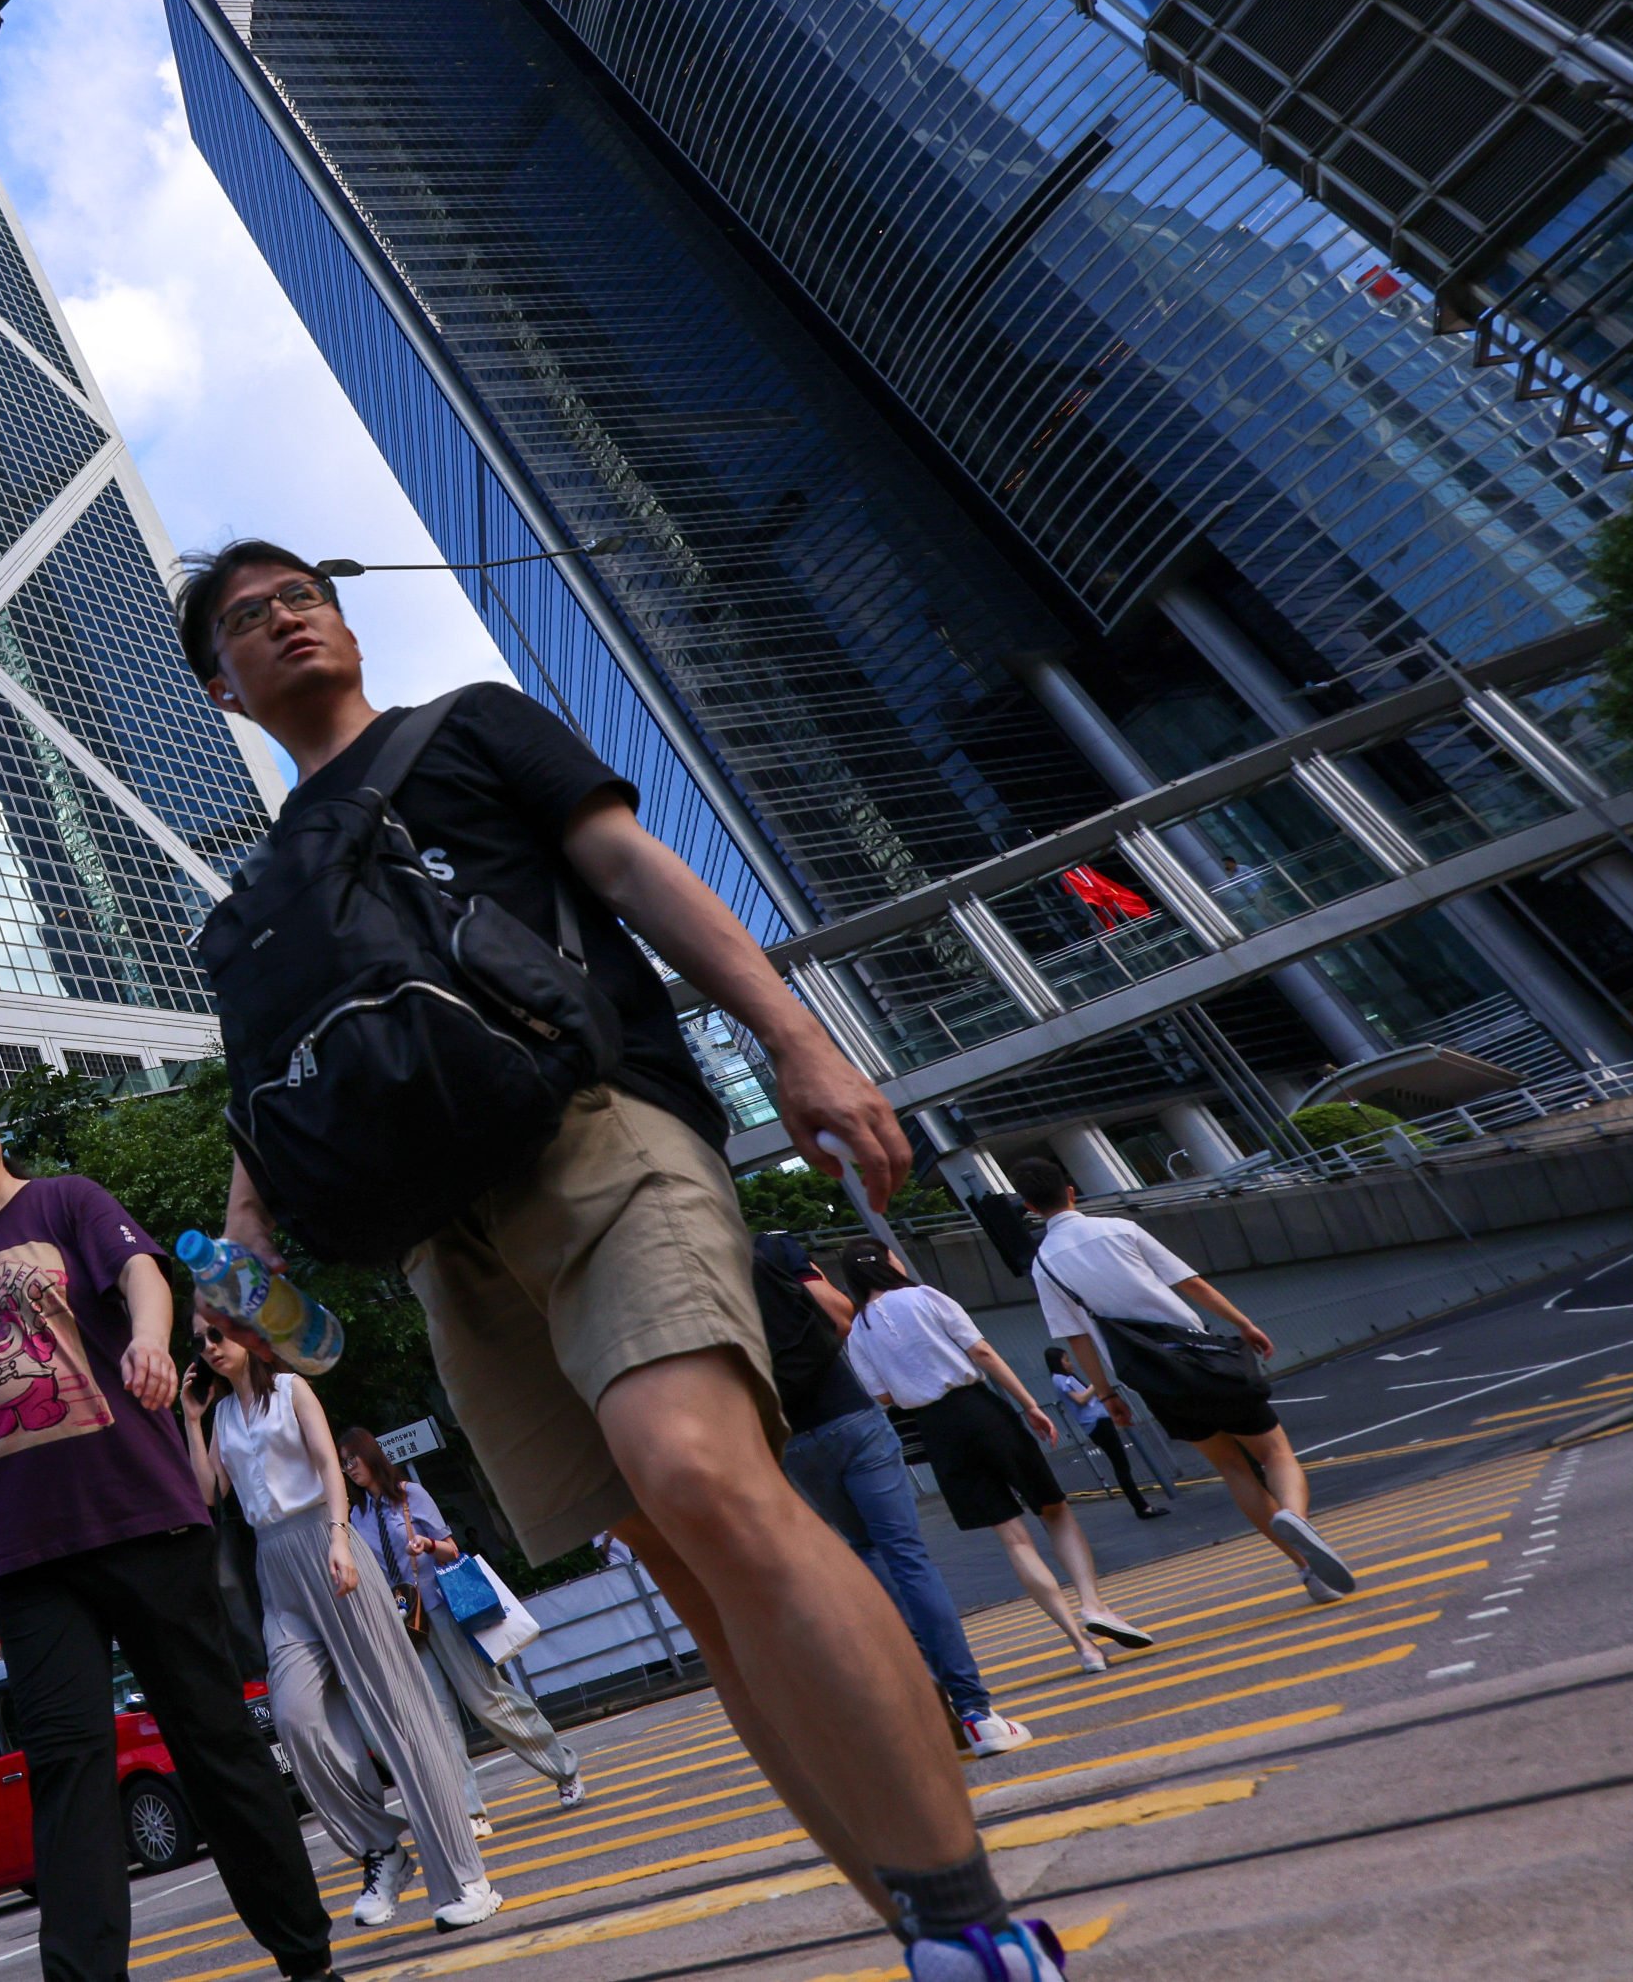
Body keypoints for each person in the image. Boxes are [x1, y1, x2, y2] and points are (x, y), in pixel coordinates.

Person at [185, 541, 1068, 1982]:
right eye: (246, 617)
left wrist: (795, 1037)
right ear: (220, 684)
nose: (286, 618)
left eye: (303, 596)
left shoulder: (470, 726)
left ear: (341, 623)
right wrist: (244, 1246)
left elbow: (629, 869)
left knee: (702, 1475)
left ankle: (974, 1922)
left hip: (598, 1133)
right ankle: (923, 1936)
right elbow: (267, 1087)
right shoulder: (258, 891)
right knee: (692, 1579)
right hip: (443, 1246)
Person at [0, 1081, 338, 1982]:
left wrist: (147, 1338)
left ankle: (306, 1959)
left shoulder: (66, 1200)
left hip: (138, 1513)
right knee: (67, 1773)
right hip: (24, 1557)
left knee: (213, 1741)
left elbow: (142, 1273)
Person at [190, 1314, 499, 1934]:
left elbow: (332, 1468)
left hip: (328, 1546)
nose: (208, 1349)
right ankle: (382, 1848)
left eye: (215, 1335)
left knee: (398, 1713)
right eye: (197, 1342)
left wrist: (338, 1535)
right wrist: (190, 1419)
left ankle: (467, 1878)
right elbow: (204, 1493)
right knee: (296, 1720)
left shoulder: (292, 1390)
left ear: (244, 1333)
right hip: (275, 1567)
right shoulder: (221, 1417)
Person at [1015, 1158, 1354, 1598]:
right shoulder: (1119, 1229)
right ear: (1071, 1191)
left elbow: (1078, 1339)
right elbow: (1191, 1283)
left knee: (1232, 1467)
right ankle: (1294, 1514)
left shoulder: (1044, 1266)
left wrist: (1108, 1394)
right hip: (1202, 1357)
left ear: (1030, 1207)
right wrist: (1244, 1324)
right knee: (1273, 1453)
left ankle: (1309, 1570)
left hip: (1154, 1379)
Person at [750, 1233, 1024, 1760]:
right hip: (849, 1416)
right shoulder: (770, 1248)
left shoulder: (685, 1281)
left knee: (866, 1554)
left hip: (791, 1438)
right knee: (906, 1554)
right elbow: (840, 1314)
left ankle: (921, 1688)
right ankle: (975, 1711)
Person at [832, 1248, 1155, 1679]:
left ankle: (1083, 1648)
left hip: (937, 1432)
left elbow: (885, 1396)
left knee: (1013, 1538)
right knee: (1053, 1509)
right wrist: (1029, 1404)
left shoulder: (858, 1332)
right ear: (886, 1263)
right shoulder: (926, 1296)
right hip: (979, 1409)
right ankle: (1093, 1605)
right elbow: (981, 1352)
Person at [336, 1423, 583, 1809]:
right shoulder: (358, 1515)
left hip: (441, 1609)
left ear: (370, 1455)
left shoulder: (410, 1494)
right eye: (343, 1463)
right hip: (407, 1623)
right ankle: (468, 1810)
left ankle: (563, 1769)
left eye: (354, 1458)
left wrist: (427, 1544)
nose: (350, 1468)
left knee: (486, 1699)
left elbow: (451, 1549)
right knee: (438, 1717)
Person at [1043, 1346, 1167, 1519]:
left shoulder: (1064, 1378)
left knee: (1121, 1465)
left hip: (1099, 1422)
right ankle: (1141, 1507)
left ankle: (1141, 1506)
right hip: (1097, 1424)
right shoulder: (1060, 1379)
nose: (1070, 1363)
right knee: (1121, 1466)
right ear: (1057, 1362)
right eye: (1066, 1360)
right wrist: (1096, 1382)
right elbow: (1081, 1399)